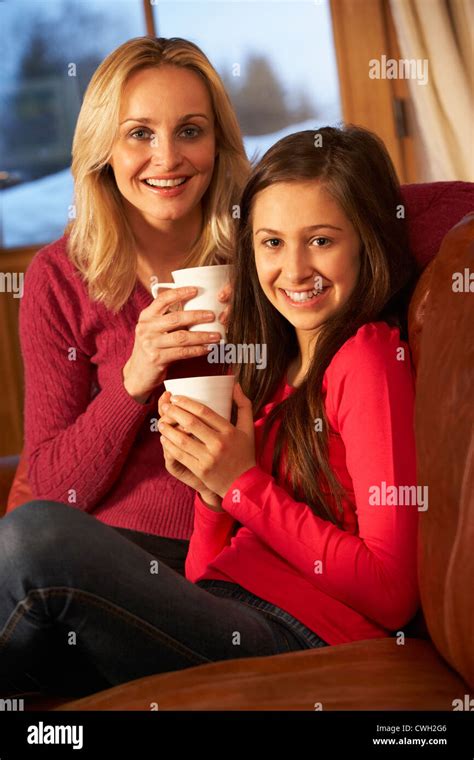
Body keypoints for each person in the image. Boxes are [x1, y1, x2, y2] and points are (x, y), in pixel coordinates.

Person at [0, 126, 420, 701]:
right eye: (271, 243)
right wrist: (209, 494)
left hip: (301, 634)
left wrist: (243, 484)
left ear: (367, 241)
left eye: (320, 240)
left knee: (36, 537)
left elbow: (392, 591)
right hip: (225, 605)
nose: (293, 270)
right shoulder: (277, 368)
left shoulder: (368, 358)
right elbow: (202, 573)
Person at [17, 36, 249, 575]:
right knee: (26, 545)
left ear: (217, 142)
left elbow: (443, 205)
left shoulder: (267, 250)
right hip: (110, 553)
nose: (167, 158)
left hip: (243, 544)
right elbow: (54, 488)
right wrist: (133, 379)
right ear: (105, 148)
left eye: (190, 131)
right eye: (139, 134)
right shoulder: (59, 277)